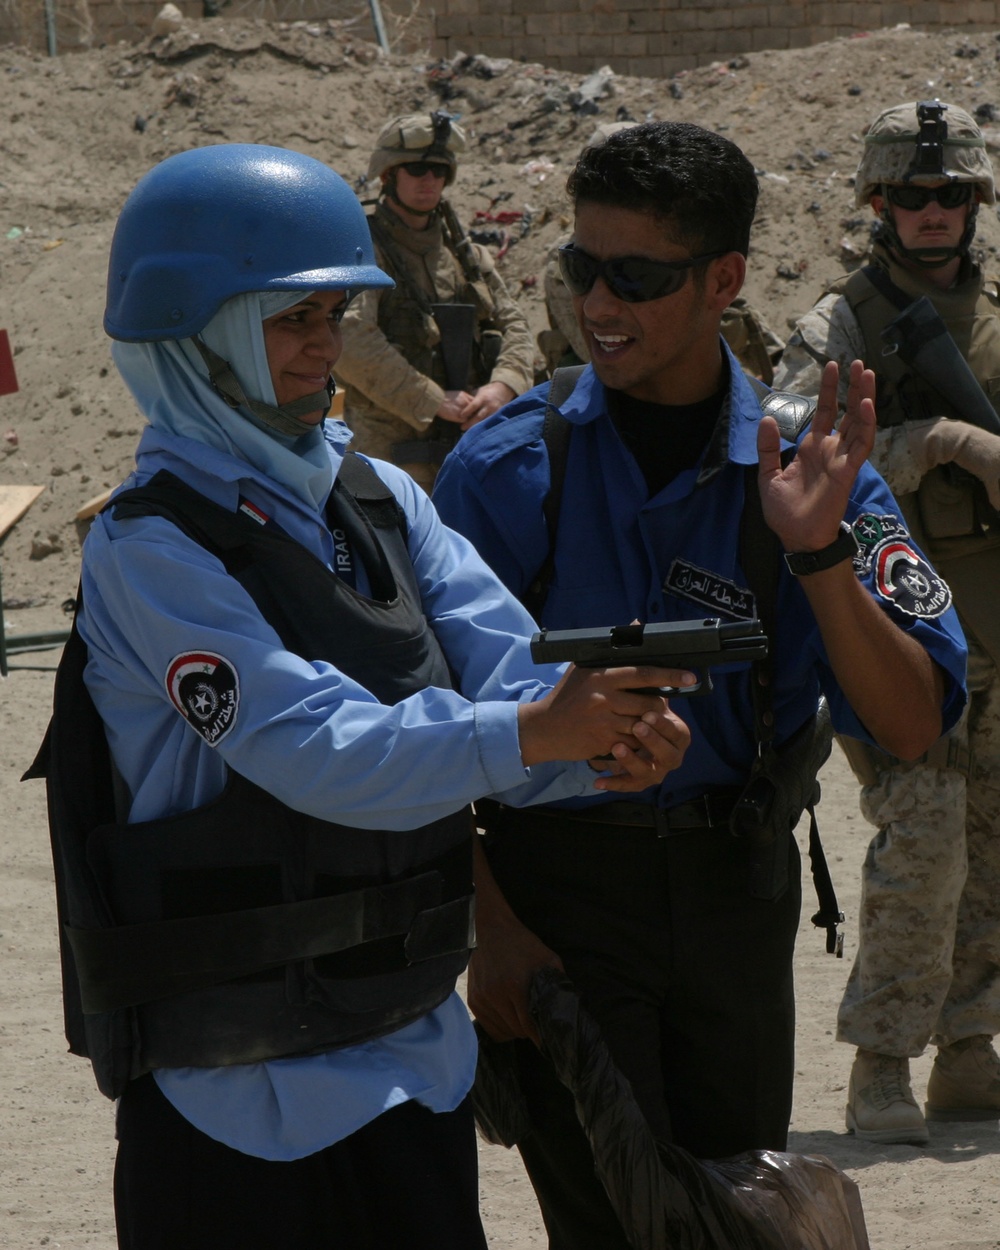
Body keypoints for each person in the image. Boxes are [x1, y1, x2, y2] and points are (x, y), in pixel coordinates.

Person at [32, 143, 694, 1250]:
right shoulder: (150, 546)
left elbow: (507, 661)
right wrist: (538, 731)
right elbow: (315, 749)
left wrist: (605, 739)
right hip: (232, 1100)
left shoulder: (377, 496)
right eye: (289, 320)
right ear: (196, 330)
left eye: (335, 316)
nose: (324, 350)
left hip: (410, 1064)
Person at [432, 120, 968, 1249]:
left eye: (638, 275)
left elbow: (913, 723)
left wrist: (817, 552)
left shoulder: (812, 463)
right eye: (584, 267)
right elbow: (416, 720)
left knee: (739, 1216)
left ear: (723, 278)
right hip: (560, 905)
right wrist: (487, 927)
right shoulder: (506, 468)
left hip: (735, 896)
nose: (601, 303)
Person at [774, 99, 1000, 1145]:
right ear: (879, 203)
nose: (931, 212)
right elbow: (786, 437)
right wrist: (936, 440)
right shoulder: (840, 321)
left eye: (950, 193)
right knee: (923, 834)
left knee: (991, 842)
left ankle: (968, 1050)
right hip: (899, 622)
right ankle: (879, 1064)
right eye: (911, 196)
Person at [333, 110, 534, 491]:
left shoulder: (467, 257)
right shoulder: (364, 252)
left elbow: (515, 325)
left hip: (472, 439)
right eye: (416, 169)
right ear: (388, 175)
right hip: (392, 450)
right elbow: (352, 339)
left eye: (439, 172)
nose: (429, 180)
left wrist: (503, 387)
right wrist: (432, 399)